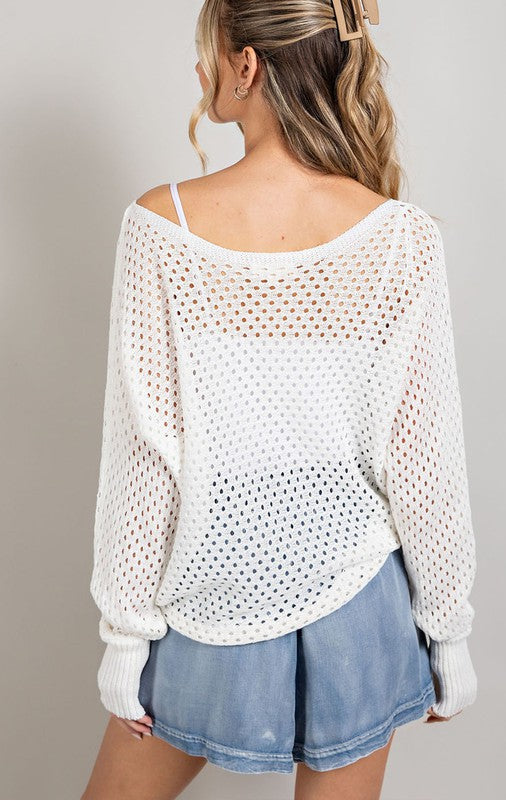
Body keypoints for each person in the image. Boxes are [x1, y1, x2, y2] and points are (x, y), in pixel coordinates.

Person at [82, 1, 478, 798]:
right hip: (357, 602)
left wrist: (125, 635)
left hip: (213, 589)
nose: (199, 69)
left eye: (208, 50)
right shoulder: (400, 234)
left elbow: (147, 454)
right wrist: (448, 630)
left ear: (246, 65)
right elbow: (421, 460)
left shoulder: (161, 226)